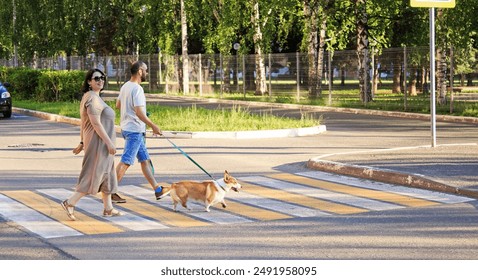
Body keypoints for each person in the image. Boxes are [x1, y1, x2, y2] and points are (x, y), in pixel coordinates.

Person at [61, 69, 123, 220]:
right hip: (98, 143)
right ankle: (70, 202)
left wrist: (82, 142)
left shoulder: (94, 97)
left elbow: (83, 123)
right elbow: (95, 124)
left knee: (108, 174)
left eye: (102, 78)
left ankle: (108, 208)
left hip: (101, 143)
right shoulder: (92, 99)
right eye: (96, 78)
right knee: (93, 174)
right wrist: (108, 142)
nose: (100, 80)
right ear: (89, 81)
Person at [112, 61, 170, 203]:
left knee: (145, 161)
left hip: (127, 128)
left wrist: (133, 110)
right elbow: (139, 112)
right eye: (145, 70)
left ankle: (157, 190)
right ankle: (111, 191)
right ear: (139, 71)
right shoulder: (137, 89)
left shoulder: (125, 86)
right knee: (126, 161)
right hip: (135, 130)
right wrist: (153, 126)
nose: (147, 73)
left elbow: (118, 105)